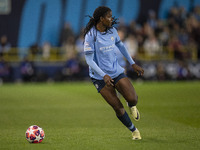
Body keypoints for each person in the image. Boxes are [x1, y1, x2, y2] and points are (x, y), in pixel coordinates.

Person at [83, 6, 144, 140]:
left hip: (116, 71)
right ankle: (134, 131)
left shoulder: (112, 31)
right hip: (99, 77)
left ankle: (131, 104)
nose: (112, 19)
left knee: (133, 98)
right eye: (109, 16)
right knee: (117, 106)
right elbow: (89, 60)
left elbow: (121, 46)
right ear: (101, 19)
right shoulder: (91, 36)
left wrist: (132, 63)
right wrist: (103, 75)